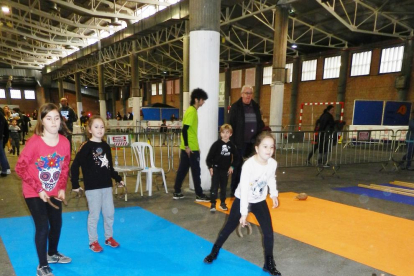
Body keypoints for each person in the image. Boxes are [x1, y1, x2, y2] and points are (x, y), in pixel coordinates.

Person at [203, 132, 281, 276]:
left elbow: (271, 179)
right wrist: (244, 213)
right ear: (257, 148)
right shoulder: (249, 165)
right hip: (242, 199)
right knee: (228, 228)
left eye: (272, 147)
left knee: (269, 232)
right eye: (265, 146)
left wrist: (274, 193)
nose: (269, 150)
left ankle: (268, 263)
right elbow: (244, 189)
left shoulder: (272, 163)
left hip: (259, 201)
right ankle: (214, 251)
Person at [15, 103, 72, 276]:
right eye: (49, 118)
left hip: (53, 191)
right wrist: (39, 189)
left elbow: (64, 166)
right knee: (43, 227)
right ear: (42, 121)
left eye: (56, 118)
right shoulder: (34, 143)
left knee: (57, 224)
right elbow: (20, 168)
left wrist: (62, 187)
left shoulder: (64, 142)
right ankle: (42, 265)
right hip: (34, 191)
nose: (54, 122)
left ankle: (53, 253)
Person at [70, 115, 123, 253]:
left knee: (109, 213)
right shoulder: (86, 146)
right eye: (96, 127)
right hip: (92, 188)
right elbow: (75, 166)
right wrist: (75, 184)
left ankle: (108, 237)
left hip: (106, 186)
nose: (100, 129)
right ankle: (93, 241)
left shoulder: (105, 146)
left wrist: (118, 178)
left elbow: (109, 167)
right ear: (89, 130)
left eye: (102, 126)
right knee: (94, 215)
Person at [173, 88, 210, 201]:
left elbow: (189, 131)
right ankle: (199, 194)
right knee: (196, 171)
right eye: (202, 100)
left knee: (183, 170)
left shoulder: (191, 111)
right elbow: (184, 130)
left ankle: (177, 191)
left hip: (190, 147)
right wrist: (188, 147)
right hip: (190, 148)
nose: (203, 102)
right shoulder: (192, 112)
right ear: (196, 99)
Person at [228, 85, 264, 195]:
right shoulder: (235, 107)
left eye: (250, 93)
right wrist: (232, 142)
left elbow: (259, 122)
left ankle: (248, 189)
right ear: (242, 94)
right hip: (239, 143)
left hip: (253, 143)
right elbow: (230, 125)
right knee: (238, 167)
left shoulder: (255, 106)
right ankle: (234, 190)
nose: (248, 95)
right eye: (246, 93)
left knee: (251, 167)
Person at [205, 124, 239, 212]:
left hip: (225, 170)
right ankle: (213, 203)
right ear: (220, 134)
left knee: (223, 187)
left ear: (230, 134)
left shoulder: (232, 145)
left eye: (227, 133)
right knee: (214, 187)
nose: (225, 134)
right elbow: (209, 158)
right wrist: (210, 167)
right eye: (223, 132)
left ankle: (222, 203)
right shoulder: (216, 144)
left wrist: (232, 166)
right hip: (216, 169)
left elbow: (237, 158)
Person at [0, 108, 10, 177]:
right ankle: (6, 168)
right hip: (1, 137)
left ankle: (4, 170)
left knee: (1, 153)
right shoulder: (2, 116)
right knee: (1, 153)